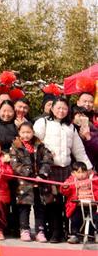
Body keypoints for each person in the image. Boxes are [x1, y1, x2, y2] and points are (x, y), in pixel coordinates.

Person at [33, 97, 93, 242]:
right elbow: (33, 142)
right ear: (52, 108)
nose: (61, 111)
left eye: (64, 108)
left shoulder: (70, 127)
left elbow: (78, 150)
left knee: (65, 201)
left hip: (65, 169)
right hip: (49, 169)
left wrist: (89, 168)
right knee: (52, 202)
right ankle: (55, 232)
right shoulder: (43, 122)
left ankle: (66, 232)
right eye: (58, 107)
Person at [9, 122, 54, 242]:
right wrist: (29, 173)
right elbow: (15, 164)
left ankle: (40, 230)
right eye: (23, 132)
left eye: (28, 132)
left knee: (40, 207)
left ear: (33, 133)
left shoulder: (40, 145)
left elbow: (48, 159)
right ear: (19, 133)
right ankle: (24, 230)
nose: (26, 135)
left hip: (40, 182)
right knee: (24, 207)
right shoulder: (15, 146)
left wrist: (42, 174)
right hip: (24, 183)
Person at [60, 162, 97, 244]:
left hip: (93, 204)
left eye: (84, 172)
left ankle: (96, 233)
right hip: (77, 204)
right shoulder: (71, 180)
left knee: (96, 217)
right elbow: (65, 192)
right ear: (73, 173)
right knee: (75, 218)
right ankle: (74, 235)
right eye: (79, 172)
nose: (82, 175)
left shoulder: (93, 179)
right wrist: (65, 187)